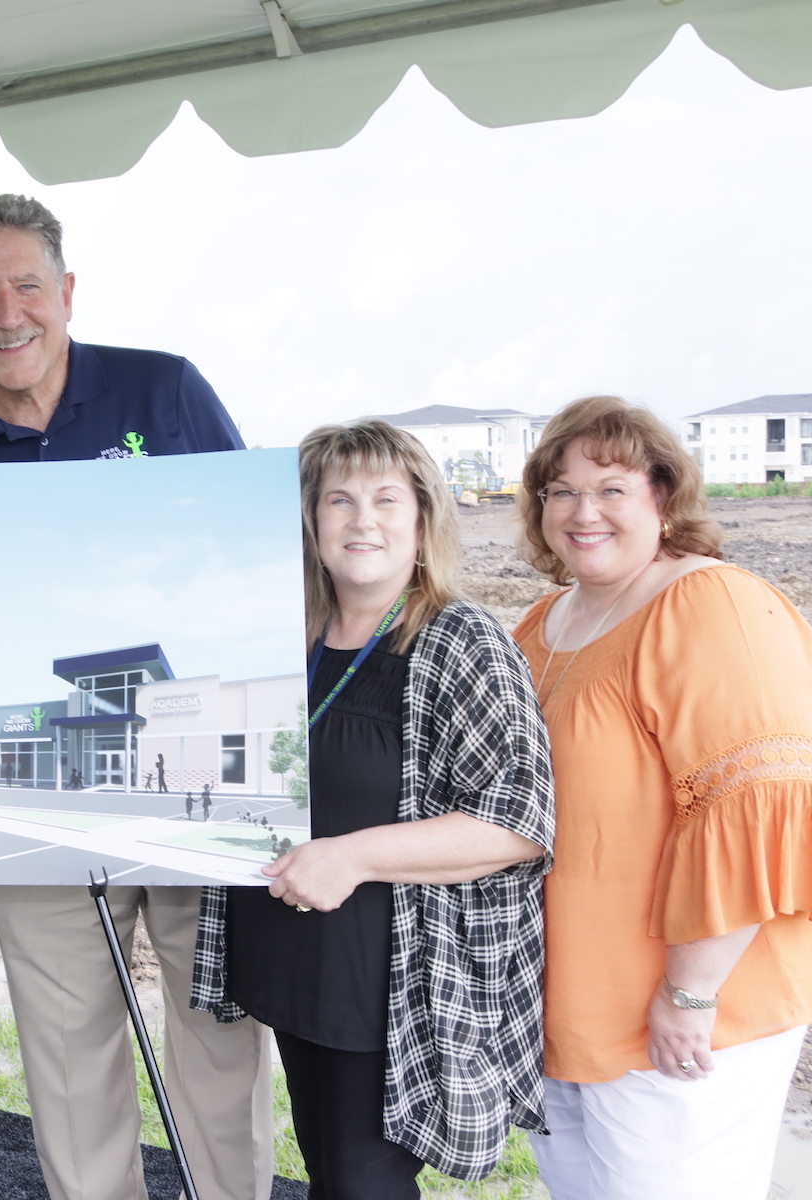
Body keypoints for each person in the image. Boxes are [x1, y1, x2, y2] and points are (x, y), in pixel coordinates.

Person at [0, 192, 270, 1200]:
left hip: (195, 777)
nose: (7, 310)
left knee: (219, 1031)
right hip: (34, 794)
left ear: (68, 291)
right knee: (69, 1056)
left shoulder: (167, 391)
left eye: (26, 284)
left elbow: (252, 557)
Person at [508, 396, 812, 1199]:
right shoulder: (543, 622)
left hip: (677, 1010)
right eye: (562, 491)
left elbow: (763, 804)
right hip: (568, 1002)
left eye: (612, 488)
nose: (583, 511)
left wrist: (689, 993)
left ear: (663, 495)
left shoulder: (710, 603)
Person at [192, 419, 553, 1197]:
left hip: (386, 988)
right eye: (339, 499)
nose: (363, 519)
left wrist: (351, 856)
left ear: (423, 518)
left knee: (364, 1187)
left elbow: (517, 823)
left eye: (387, 498)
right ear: (310, 521)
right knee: (329, 1175)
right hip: (292, 968)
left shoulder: (463, 641)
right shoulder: (291, 640)